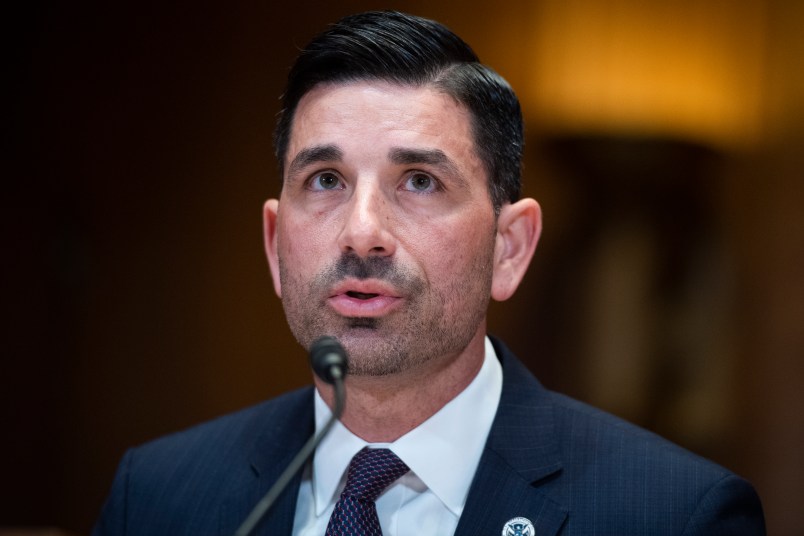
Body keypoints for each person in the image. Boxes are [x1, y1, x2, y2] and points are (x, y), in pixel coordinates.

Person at [93, 11, 765, 536]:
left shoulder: (674, 515)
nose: (362, 232)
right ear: (275, 244)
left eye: (418, 181)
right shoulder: (157, 496)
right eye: (325, 179)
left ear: (509, 247)